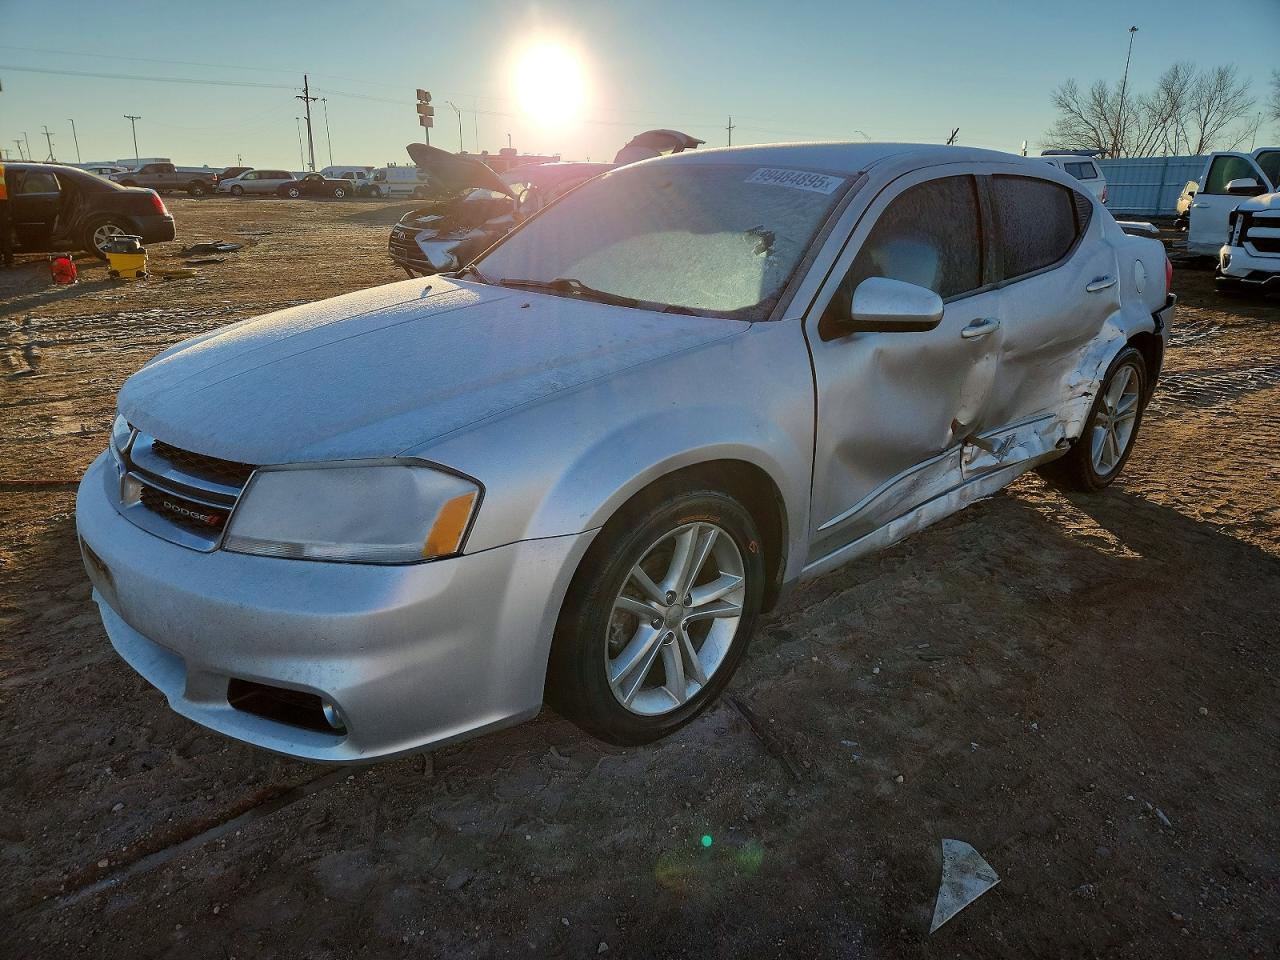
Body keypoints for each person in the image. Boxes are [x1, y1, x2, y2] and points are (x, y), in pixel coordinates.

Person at [0, 160, 13, 267]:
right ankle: (8, 260)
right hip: (4, 205)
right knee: (5, 235)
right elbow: (11, 190)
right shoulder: (5, 170)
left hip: (3, 205)